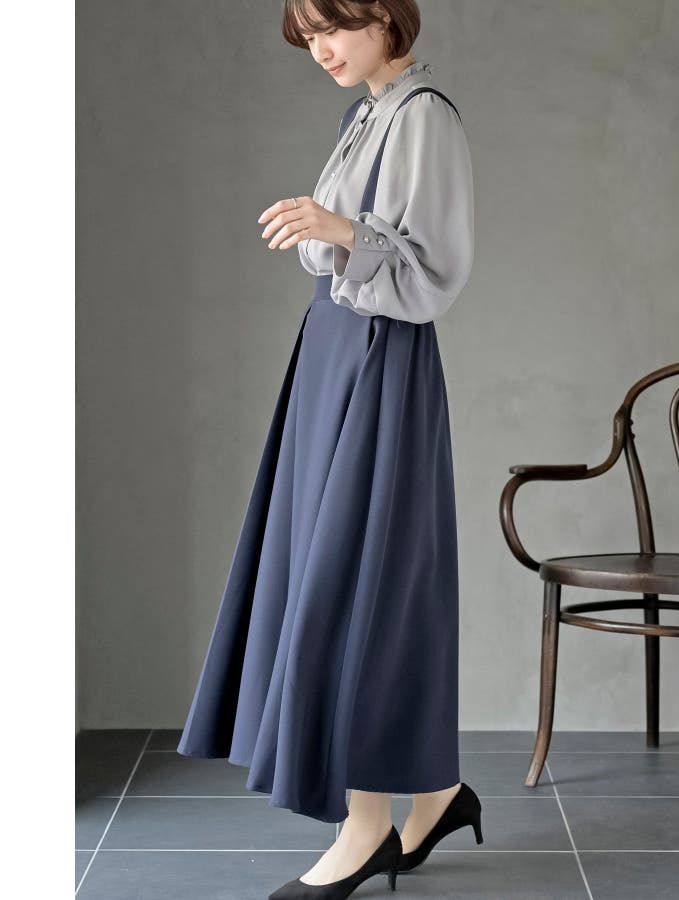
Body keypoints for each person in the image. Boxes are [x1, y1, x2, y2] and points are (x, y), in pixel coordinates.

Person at [175, 1, 483, 897]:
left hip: (380, 359)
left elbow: (435, 271)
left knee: (354, 587)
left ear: (383, 16)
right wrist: (330, 233)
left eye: (332, 28)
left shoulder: (423, 117)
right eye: (307, 37)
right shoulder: (367, 116)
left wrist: (341, 230)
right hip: (332, 356)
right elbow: (339, 254)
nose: (319, 50)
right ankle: (434, 795)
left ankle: (367, 825)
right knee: (339, 574)